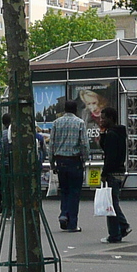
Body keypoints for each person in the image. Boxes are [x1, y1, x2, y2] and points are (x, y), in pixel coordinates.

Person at [50, 99, 86, 232]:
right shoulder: (80, 123)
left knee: (64, 190)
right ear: (75, 109)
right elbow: (84, 144)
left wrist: (52, 162)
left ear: (65, 109)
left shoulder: (56, 123)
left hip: (60, 161)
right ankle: (72, 223)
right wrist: (85, 159)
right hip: (74, 161)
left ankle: (64, 214)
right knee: (74, 192)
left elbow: (51, 144)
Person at [98, 106, 131, 243]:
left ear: (110, 118)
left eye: (103, 118)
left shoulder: (112, 135)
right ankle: (122, 227)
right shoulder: (118, 133)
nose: (101, 120)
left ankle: (116, 233)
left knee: (110, 204)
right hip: (119, 170)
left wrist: (104, 173)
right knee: (113, 201)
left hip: (112, 171)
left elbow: (109, 156)